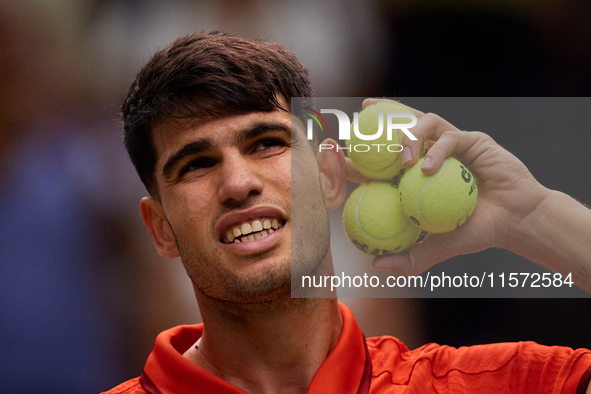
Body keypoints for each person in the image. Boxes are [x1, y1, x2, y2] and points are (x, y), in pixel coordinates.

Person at [103, 32, 591, 393]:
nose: (237, 184)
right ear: (160, 228)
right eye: (197, 164)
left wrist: (534, 218)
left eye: (267, 143)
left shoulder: (483, 384)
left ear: (331, 177)